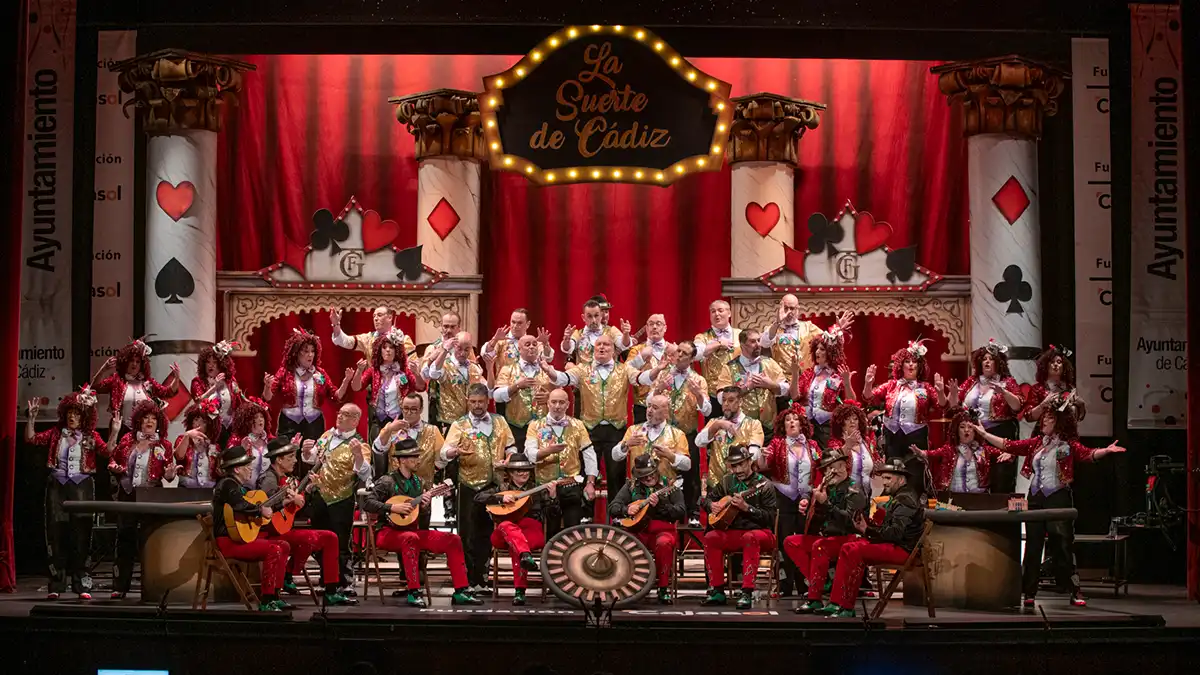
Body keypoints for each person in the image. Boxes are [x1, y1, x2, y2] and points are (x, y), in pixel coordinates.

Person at [972, 407, 1125, 607]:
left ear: (1059, 423)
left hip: (1058, 496)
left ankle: (1074, 590)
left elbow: (1088, 454)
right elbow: (1009, 445)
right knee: (1034, 545)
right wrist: (984, 434)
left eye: (1049, 419)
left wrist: (1106, 451)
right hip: (1036, 497)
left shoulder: (1068, 445)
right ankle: (1029, 592)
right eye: (1043, 419)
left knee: (1062, 545)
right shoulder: (1035, 443)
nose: (1044, 422)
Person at [362, 439, 483, 607]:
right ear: (402, 460)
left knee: (453, 540)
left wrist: (424, 506)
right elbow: (367, 502)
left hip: (412, 532)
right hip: (387, 532)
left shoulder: (419, 482)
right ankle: (414, 591)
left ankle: (461, 591)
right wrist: (392, 507)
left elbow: (418, 516)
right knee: (410, 538)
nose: (418, 460)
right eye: (413, 457)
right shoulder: (387, 481)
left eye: (418, 456)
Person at [25, 385, 120, 600]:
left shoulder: (90, 435)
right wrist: (31, 419)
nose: (72, 417)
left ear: (84, 417)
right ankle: (56, 583)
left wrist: (114, 431)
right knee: (56, 533)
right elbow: (31, 439)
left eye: (77, 414)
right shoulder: (56, 433)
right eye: (70, 413)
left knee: (81, 534)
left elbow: (108, 451)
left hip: (82, 484)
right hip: (58, 484)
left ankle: (82, 583)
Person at [818, 457, 925, 618]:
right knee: (850, 546)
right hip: (896, 546)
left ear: (901, 479)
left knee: (853, 549)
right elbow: (888, 530)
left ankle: (846, 606)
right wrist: (866, 530)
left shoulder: (906, 500)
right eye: (883, 478)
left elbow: (895, 534)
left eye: (888, 478)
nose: (885, 482)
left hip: (904, 551)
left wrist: (868, 530)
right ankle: (836, 602)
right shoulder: (900, 497)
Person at [256, 436, 357, 606]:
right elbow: (264, 506)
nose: (295, 461)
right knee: (310, 539)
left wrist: (307, 490)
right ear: (279, 460)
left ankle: (331, 590)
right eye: (290, 458)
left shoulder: (287, 479)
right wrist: (289, 500)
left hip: (284, 530)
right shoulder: (269, 479)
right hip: (270, 532)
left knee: (330, 537)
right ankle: (286, 577)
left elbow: (296, 507)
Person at [440, 383, 518, 593]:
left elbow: (511, 447)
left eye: (480, 402)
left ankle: (482, 578)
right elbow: (444, 452)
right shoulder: (459, 424)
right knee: (467, 532)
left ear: (487, 401)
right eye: (473, 402)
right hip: (468, 484)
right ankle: (466, 580)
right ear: (468, 401)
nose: (476, 406)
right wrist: (453, 452)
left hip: (493, 485)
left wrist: (508, 459)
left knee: (485, 533)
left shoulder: (500, 421)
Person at [541, 334, 639, 500]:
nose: (602, 347)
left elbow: (640, 378)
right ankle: (585, 515)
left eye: (606, 345)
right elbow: (563, 379)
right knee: (586, 471)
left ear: (614, 351)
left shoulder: (624, 369)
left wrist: (657, 370)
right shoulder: (582, 369)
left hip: (616, 429)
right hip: (589, 429)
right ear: (593, 350)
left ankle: (616, 514)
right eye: (598, 344)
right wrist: (549, 371)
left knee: (616, 475)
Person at [783, 447, 867, 613]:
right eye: (828, 469)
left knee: (820, 546)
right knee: (791, 542)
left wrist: (826, 504)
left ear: (845, 467)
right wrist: (809, 507)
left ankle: (815, 597)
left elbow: (849, 522)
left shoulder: (854, 489)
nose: (832, 472)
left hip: (849, 537)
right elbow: (814, 525)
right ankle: (824, 582)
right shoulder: (826, 488)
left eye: (836, 467)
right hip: (828, 538)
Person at [301, 403, 373, 595]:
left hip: (341, 498)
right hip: (319, 497)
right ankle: (327, 580)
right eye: (340, 413)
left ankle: (344, 582)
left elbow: (365, 473)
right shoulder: (326, 436)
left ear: (356, 420)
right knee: (319, 541)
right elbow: (312, 459)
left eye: (346, 415)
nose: (340, 417)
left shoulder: (360, 444)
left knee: (341, 543)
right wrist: (307, 452)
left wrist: (358, 455)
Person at [109, 399, 177, 598]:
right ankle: (120, 587)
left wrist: (171, 475)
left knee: (150, 542)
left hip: (151, 496)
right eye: (145, 418)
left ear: (159, 423)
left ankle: (151, 587)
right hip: (127, 495)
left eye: (153, 419)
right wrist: (115, 467)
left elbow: (168, 474)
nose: (149, 422)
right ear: (139, 421)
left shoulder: (164, 445)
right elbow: (112, 455)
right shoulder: (127, 442)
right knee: (124, 540)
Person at [210, 445, 291, 611]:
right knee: (273, 549)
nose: (250, 470)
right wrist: (260, 509)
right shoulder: (227, 485)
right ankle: (266, 600)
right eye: (247, 467)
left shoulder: (240, 488)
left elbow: (250, 509)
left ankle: (275, 594)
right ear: (238, 469)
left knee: (284, 545)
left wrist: (279, 505)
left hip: (238, 539)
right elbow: (240, 505)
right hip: (228, 542)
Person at [638, 341, 711, 521]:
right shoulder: (663, 374)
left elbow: (707, 410)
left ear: (692, 359)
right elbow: (648, 402)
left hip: (687, 433)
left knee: (690, 474)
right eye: (678, 350)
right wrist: (659, 388)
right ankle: (661, 510)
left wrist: (699, 394)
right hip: (662, 433)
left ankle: (692, 513)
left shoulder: (698, 380)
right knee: (659, 470)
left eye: (684, 353)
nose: (678, 355)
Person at [699, 445, 777, 609]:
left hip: (761, 533)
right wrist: (711, 505)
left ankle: (746, 592)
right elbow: (703, 500)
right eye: (734, 466)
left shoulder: (764, 484)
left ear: (750, 461)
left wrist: (747, 508)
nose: (738, 469)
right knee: (711, 537)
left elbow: (770, 518)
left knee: (750, 537)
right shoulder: (727, 481)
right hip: (734, 532)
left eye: (742, 464)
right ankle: (717, 590)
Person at [862, 339, 944, 495]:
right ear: (901, 365)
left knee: (915, 472)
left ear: (920, 366)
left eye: (914, 362)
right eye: (907, 361)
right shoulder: (892, 385)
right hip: (892, 435)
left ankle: (913, 503)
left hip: (916, 436)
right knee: (892, 472)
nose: (911, 365)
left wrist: (940, 391)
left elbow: (941, 406)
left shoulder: (925, 387)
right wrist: (868, 383)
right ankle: (892, 505)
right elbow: (869, 398)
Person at [758, 403, 823, 596]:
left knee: (804, 541)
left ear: (802, 423)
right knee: (784, 542)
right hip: (783, 497)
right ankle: (785, 584)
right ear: (782, 425)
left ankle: (805, 584)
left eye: (795, 419)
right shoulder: (777, 444)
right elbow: (762, 467)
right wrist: (762, 457)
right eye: (787, 420)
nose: (791, 422)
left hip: (806, 499)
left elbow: (822, 469)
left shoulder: (812, 445)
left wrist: (812, 494)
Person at [947, 339, 1024, 493]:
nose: (987, 362)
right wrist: (954, 393)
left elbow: (1017, 406)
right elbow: (954, 407)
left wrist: (1004, 392)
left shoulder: (1007, 382)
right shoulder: (971, 382)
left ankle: (1000, 511)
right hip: (973, 434)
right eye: (984, 359)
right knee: (975, 474)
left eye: (991, 359)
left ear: (998, 362)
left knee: (1001, 475)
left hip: (999, 432)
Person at [475, 454, 553, 606]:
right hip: (504, 534)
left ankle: (520, 591)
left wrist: (553, 496)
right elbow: (478, 497)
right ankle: (525, 558)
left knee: (517, 546)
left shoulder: (537, 490)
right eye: (519, 471)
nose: (524, 473)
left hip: (531, 532)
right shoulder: (502, 489)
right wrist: (499, 499)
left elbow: (553, 515)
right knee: (505, 526)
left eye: (526, 471)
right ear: (510, 473)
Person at [608, 454, 686, 604]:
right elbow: (613, 507)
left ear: (656, 471)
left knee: (664, 543)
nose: (649, 479)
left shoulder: (669, 486)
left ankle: (663, 588)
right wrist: (626, 510)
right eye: (644, 476)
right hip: (638, 531)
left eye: (651, 474)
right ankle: (631, 586)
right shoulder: (630, 486)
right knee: (625, 543)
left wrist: (661, 506)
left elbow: (681, 511)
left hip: (662, 531)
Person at [351, 327, 424, 476]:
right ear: (379, 351)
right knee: (379, 457)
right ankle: (379, 485)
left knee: (398, 457)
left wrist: (417, 373)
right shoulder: (374, 371)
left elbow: (421, 387)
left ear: (397, 350)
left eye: (391, 347)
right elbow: (356, 387)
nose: (388, 351)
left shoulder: (403, 370)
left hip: (399, 421)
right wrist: (358, 372)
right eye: (385, 348)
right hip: (379, 421)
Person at [524, 388, 598, 534]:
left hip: (571, 485)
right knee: (551, 531)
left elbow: (589, 454)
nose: (557, 406)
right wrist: (548, 451)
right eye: (554, 402)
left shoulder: (578, 425)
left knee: (573, 532)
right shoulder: (535, 425)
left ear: (568, 404)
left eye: (561, 402)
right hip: (545, 486)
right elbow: (529, 455)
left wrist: (590, 483)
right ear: (548, 403)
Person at [264, 328, 354, 443]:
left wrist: (346, 381)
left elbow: (336, 397)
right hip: (289, 424)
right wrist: (267, 386)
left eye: (312, 351)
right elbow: (268, 397)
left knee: (312, 458)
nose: (310, 355)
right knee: (289, 457)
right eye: (305, 351)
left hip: (314, 425)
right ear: (296, 352)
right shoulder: (285, 372)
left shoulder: (320, 373)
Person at [91, 338, 181, 437]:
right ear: (125, 362)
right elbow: (95, 387)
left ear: (142, 364)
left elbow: (168, 392)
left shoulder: (147, 382)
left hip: (144, 431)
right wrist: (103, 369)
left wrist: (176, 378)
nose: (134, 364)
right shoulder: (116, 380)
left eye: (138, 362)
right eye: (131, 361)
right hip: (121, 430)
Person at [912, 408, 1013, 495]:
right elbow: (931, 454)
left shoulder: (985, 450)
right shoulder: (949, 449)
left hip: (979, 499)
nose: (966, 430)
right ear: (956, 430)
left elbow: (1011, 452)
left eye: (970, 427)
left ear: (976, 430)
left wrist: (1010, 453)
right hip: (953, 498)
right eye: (962, 427)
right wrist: (921, 453)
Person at [696, 387, 765, 501]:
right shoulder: (715, 422)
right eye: (724, 400)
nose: (726, 404)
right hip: (715, 486)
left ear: (740, 402)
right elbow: (698, 442)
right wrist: (717, 425)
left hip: (742, 487)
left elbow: (754, 453)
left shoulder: (753, 424)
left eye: (731, 400)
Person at [715, 329, 789, 435]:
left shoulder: (770, 363)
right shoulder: (729, 368)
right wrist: (746, 388)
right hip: (742, 428)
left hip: (769, 428)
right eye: (753, 341)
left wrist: (770, 385)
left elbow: (786, 389)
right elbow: (720, 398)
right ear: (742, 345)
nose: (758, 344)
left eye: (759, 340)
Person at [794, 325, 856, 447]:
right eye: (816, 349)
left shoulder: (838, 375)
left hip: (827, 429)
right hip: (807, 427)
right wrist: (795, 374)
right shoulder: (808, 374)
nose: (817, 352)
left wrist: (847, 383)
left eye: (822, 349)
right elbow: (795, 396)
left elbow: (851, 403)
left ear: (830, 352)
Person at [612, 394, 691, 488]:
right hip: (637, 489)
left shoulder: (677, 434)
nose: (649, 410)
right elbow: (615, 456)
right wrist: (626, 444)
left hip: (665, 490)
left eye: (655, 408)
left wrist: (671, 456)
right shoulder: (634, 430)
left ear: (666, 413)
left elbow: (687, 465)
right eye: (649, 406)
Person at [493, 333, 557, 450]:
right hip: (516, 427)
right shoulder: (508, 369)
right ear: (519, 349)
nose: (532, 347)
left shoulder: (547, 369)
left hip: (542, 427)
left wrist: (549, 397)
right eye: (527, 345)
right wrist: (516, 386)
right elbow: (496, 396)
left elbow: (560, 395)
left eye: (534, 344)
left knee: (541, 462)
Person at [373, 394, 446, 486]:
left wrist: (427, 470)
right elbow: (378, 449)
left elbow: (442, 460)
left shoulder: (433, 430)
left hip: (423, 488)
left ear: (421, 410)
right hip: (396, 488)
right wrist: (390, 429)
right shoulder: (391, 428)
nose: (409, 412)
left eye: (414, 409)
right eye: (406, 408)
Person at [423, 330, 486, 430]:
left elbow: (486, 391)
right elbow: (433, 374)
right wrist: (444, 350)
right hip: (448, 421)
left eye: (466, 350)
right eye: (459, 349)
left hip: (470, 422)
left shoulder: (474, 367)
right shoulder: (445, 364)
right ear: (454, 346)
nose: (462, 353)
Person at [189, 339, 244, 446]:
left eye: (215, 362)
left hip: (229, 428)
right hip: (209, 430)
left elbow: (239, 402)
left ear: (221, 364)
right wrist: (214, 387)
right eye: (208, 362)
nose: (211, 366)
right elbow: (198, 401)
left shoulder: (230, 380)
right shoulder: (198, 381)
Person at [694, 300, 742, 414]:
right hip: (713, 394)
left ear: (729, 313)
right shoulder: (702, 337)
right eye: (713, 311)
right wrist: (718, 343)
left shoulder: (740, 334)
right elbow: (696, 354)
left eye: (720, 310)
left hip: (739, 391)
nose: (717, 314)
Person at [481, 308, 555, 380]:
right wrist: (494, 340)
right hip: (505, 386)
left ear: (528, 324)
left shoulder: (533, 343)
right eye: (513, 322)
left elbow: (548, 358)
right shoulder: (500, 342)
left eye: (519, 323)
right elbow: (486, 354)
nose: (515, 326)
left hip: (531, 387)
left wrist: (545, 344)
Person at [825, 401, 880, 498]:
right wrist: (847, 446)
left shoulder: (866, 441)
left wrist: (879, 466)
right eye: (847, 419)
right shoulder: (835, 442)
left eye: (855, 419)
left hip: (866, 495)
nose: (852, 422)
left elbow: (874, 466)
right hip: (844, 497)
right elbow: (834, 464)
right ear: (840, 423)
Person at [330, 305, 416, 364]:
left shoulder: (403, 340)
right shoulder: (368, 338)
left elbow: (414, 366)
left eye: (379, 315)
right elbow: (345, 341)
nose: (375, 319)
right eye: (374, 316)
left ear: (390, 317)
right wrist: (336, 325)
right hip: (375, 388)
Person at [625, 314, 671, 424]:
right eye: (651, 324)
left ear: (665, 328)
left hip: (668, 405)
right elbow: (625, 371)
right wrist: (641, 357)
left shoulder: (673, 349)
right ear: (646, 328)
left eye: (658, 324)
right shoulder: (636, 350)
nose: (654, 327)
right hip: (642, 406)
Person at [1022, 344, 1087, 423]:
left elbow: (1079, 418)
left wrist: (1080, 406)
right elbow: (1029, 417)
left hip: (1067, 432)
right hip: (1045, 433)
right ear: (1046, 365)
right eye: (1052, 362)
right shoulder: (1037, 388)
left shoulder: (1069, 387)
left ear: (1064, 366)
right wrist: (1043, 405)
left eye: (1059, 362)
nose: (1056, 364)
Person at [559, 299, 633, 365]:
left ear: (601, 315)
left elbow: (624, 345)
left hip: (609, 378)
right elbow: (567, 348)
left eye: (596, 316)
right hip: (584, 379)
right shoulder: (578, 333)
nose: (593, 320)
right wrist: (566, 340)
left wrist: (626, 334)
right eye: (589, 316)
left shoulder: (612, 331)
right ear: (583, 317)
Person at [174, 398, 222, 489]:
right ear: (191, 421)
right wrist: (187, 436)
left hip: (208, 490)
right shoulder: (183, 438)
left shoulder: (215, 446)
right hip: (185, 488)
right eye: (196, 419)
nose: (199, 424)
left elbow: (218, 472)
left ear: (210, 425)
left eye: (204, 421)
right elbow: (178, 456)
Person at [226, 396, 273, 487]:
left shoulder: (269, 440)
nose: (260, 420)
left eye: (262, 416)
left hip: (265, 492)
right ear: (246, 421)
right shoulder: (237, 440)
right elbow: (227, 466)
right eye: (255, 417)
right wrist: (242, 450)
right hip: (243, 490)